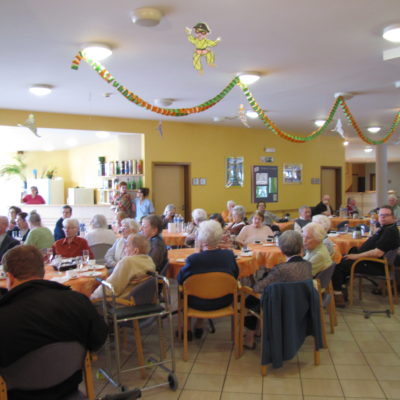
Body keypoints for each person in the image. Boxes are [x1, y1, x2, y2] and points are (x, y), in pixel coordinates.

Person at [0, 245, 108, 400]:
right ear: (43, 272)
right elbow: (99, 338)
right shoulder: (78, 301)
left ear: (9, 278)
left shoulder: (5, 316)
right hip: (69, 388)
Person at [243, 230, 312, 349]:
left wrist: (254, 282)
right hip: (302, 304)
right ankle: (258, 330)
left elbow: (257, 288)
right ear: (301, 247)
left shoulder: (281, 270)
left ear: (281, 249)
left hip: (282, 306)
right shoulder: (307, 265)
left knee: (252, 299)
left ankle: (250, 337)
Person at [177, 220, 239, 338]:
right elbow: (235, 275)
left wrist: (197, 252)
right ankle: (199, 324)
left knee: (187, 290)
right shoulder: (229, 255)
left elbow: (180, 280)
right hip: (224, 300)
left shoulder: (193, 259)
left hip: (197, 303)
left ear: (201, 239)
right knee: (200, 288)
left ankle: (187, 327)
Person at [332, 205, 400, 306]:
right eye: (381, 215)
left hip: (376, 265)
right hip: (369, 261)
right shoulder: (386, 228)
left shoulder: (390, 231)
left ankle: (338, 296)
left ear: (393, 217)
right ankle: (341, 290)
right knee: (343, 260)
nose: (382, 217)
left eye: (386, 215)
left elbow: (377, 253)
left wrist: (356, 256)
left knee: (339, 264)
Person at [91, 234, 155, 300]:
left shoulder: (128, 262)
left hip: (123, 302)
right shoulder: (149, 260)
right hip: (141, 300)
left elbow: (111, 289)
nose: (124, 248)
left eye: (127, 245)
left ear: (135, 251)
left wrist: (92, 296)